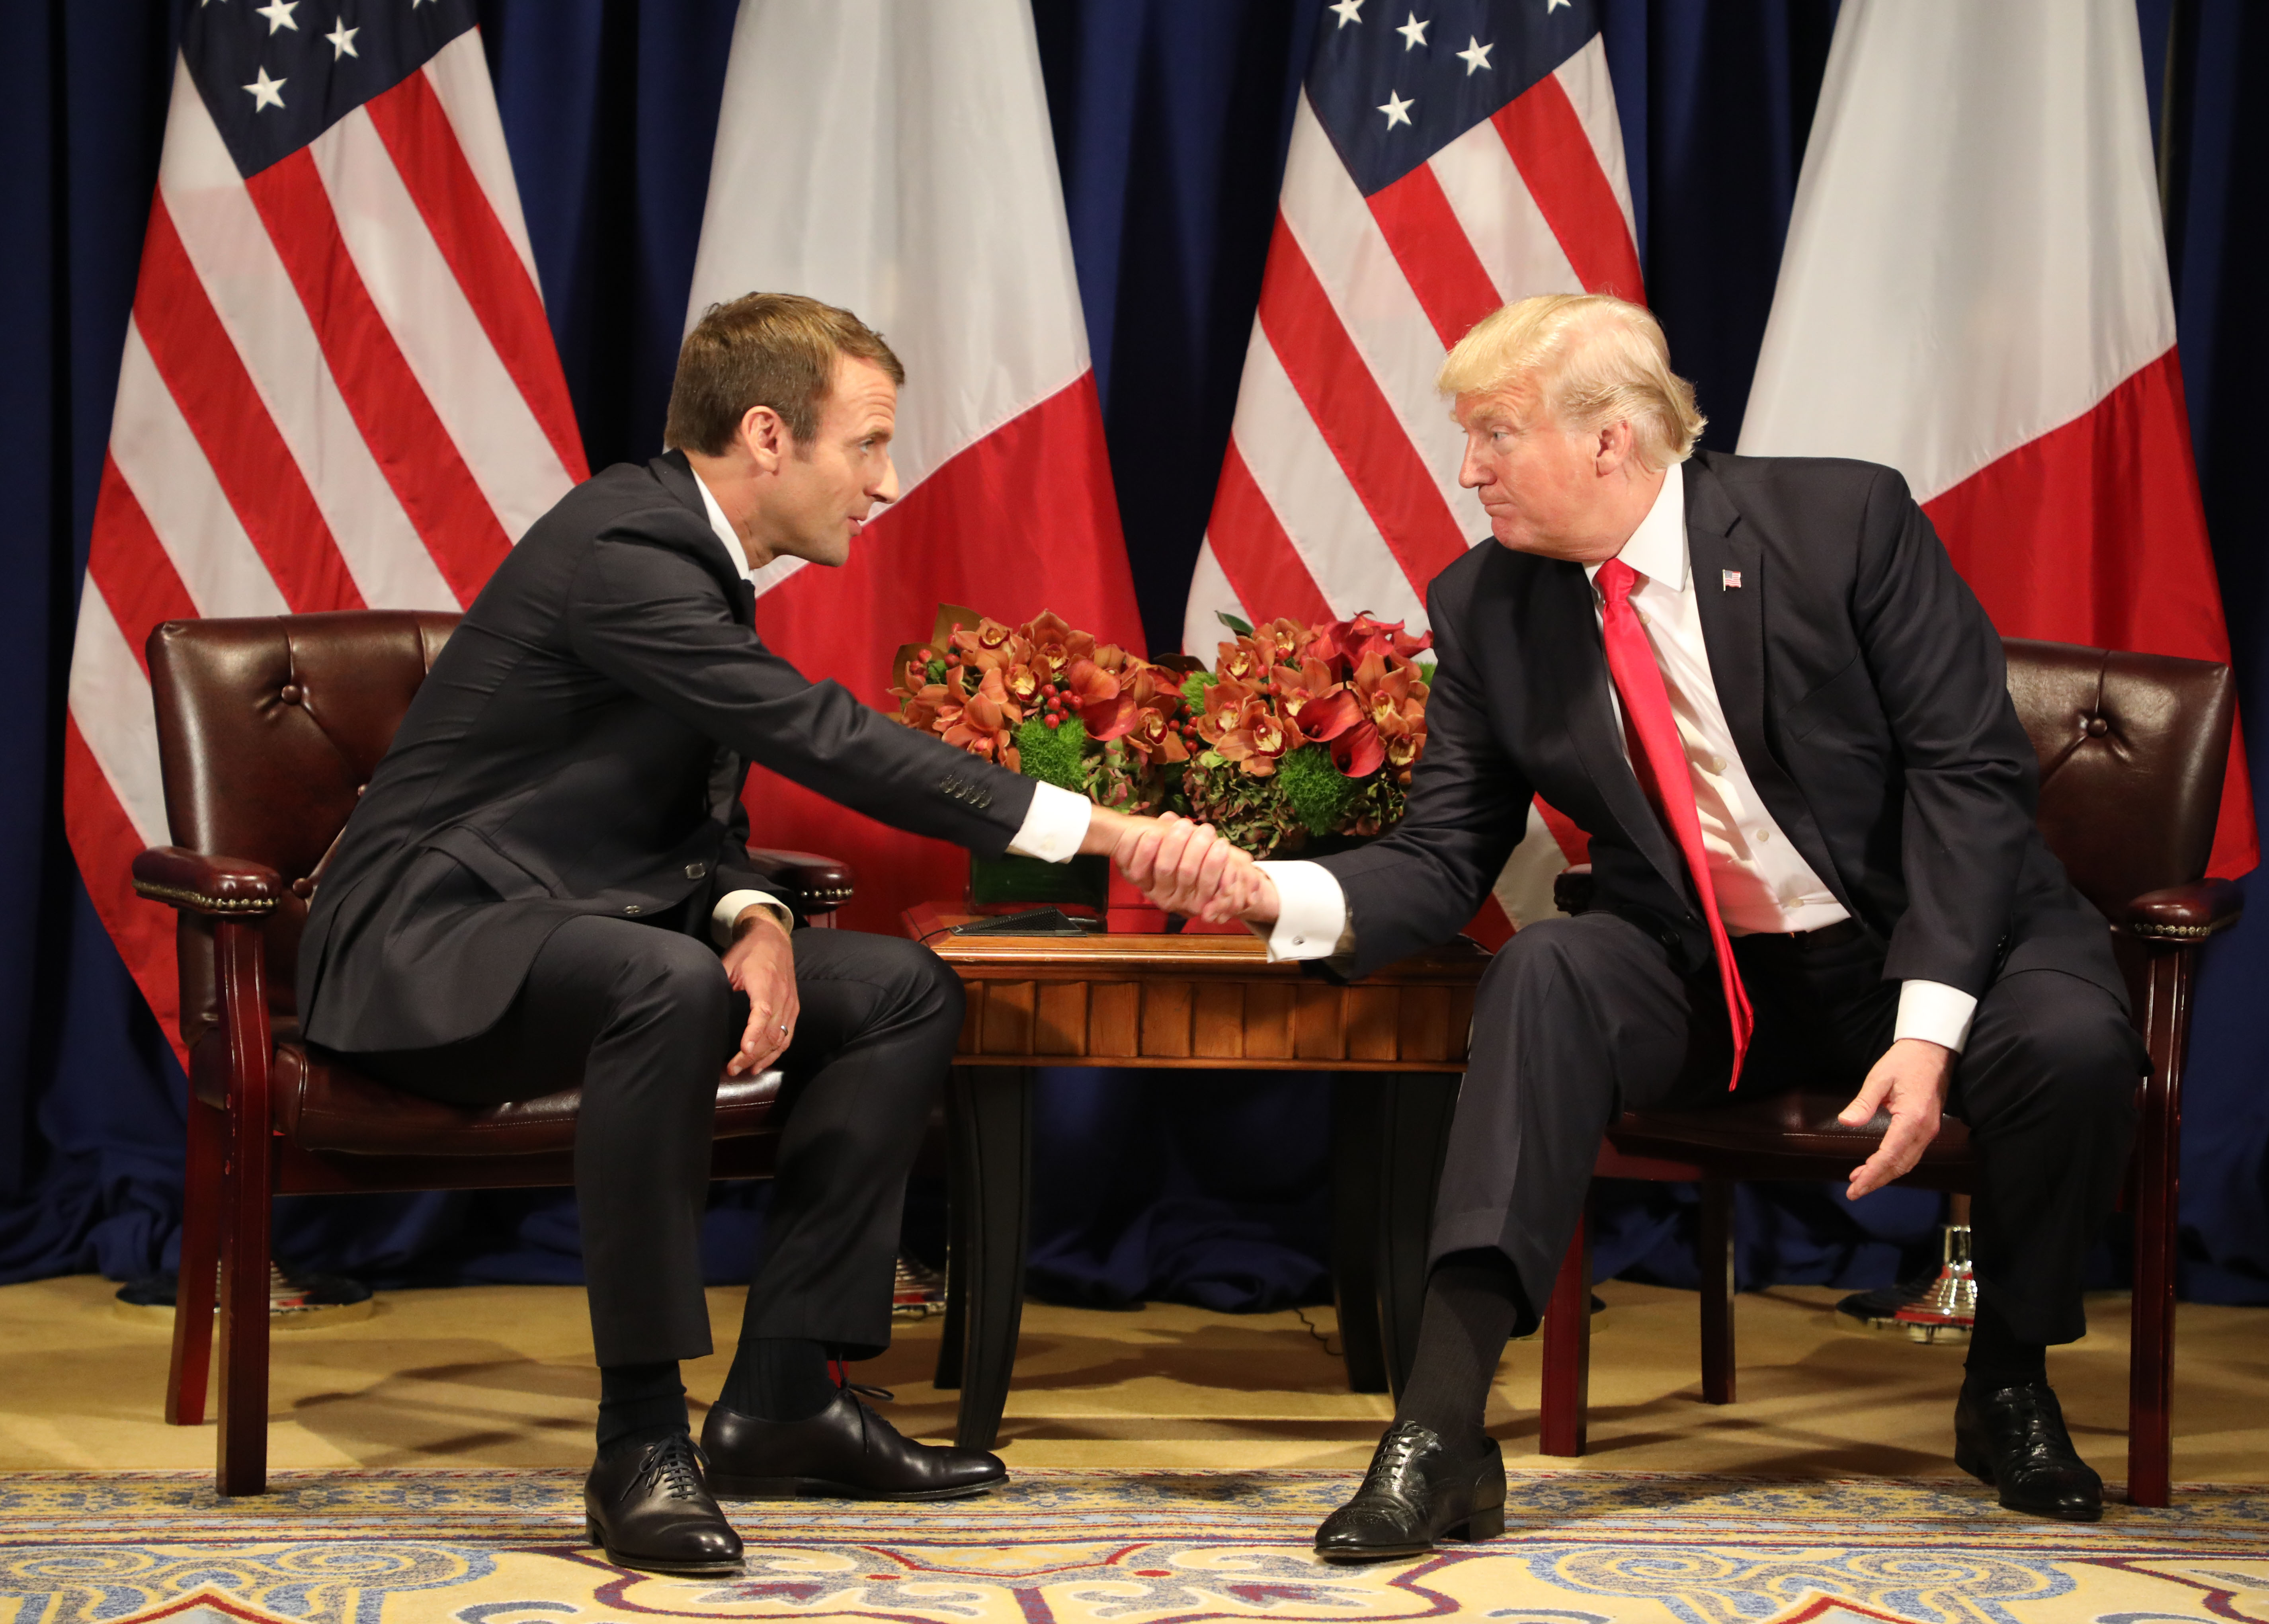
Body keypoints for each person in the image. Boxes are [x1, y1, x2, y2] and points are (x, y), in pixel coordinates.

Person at [1122, 293, 2144, 1558]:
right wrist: (1276, 894)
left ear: (1610, 440)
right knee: (1546, 969)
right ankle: (1439, 1434)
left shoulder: (1839, 522)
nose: (1466, 468)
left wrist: (1929, 1029)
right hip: (1709, 974)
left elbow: (1967, 778)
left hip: (1934, 939)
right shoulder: (1488, 606)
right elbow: (1445, 856)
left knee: (2068, 1046)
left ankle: (2007, 1385)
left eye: (1495, 434)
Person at [298, 293, 1142, 1575]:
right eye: (864, 444)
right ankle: (640, 1437)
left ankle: (787, 1395)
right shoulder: (627, 549)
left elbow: (677, 808)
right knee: (665, 984)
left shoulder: (692, 560)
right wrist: (1103, 832)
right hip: (430, 945)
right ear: (766, 434)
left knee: (901, 989)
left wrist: (750, 911)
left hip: (581, 927)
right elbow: (816, 737)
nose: (885, 480)